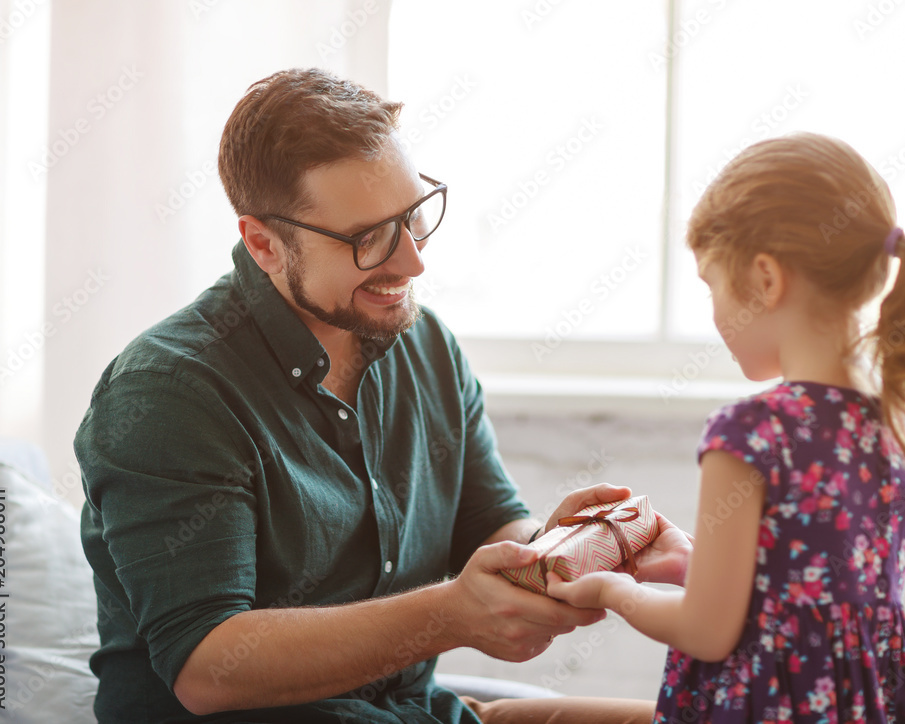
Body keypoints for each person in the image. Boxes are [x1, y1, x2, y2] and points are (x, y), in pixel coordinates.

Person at [74, 68, 668, 723]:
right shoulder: (170, 391)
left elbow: (491, 527)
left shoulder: (424, 342)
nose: (412, 261)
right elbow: (208, 670)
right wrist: (449, 615)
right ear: (265, 244)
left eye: (414, 216)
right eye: (369, 238)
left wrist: (558, 553)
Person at [547, 132, 905, 722]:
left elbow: (708, 631)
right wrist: (690, 564)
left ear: (766, 280)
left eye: (712, 285)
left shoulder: (752, 430)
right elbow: (812, 588)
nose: (715, 313)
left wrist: (612, 592)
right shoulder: (892, 427)